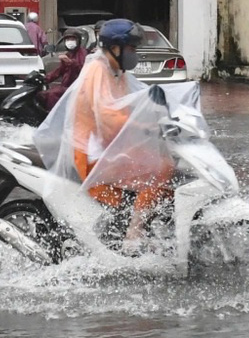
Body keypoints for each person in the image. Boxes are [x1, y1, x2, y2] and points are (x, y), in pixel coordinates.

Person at [62, 18, 173, 247]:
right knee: (158, 169)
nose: (134, 54)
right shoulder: (97, 70)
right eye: (131, 49)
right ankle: (134, 233)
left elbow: (134, 100)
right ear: (115, 48)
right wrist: (144, 127)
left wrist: (162, 115)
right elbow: (107, 115)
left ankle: (143, 226)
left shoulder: (116, 71)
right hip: (92, 149)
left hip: (110, 143)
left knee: (164, 165)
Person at [41, 29, 87, 108]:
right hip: (67, 87)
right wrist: (44, 79)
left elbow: (83, 70)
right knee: (42, 94)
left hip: (77, 88)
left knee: (53, 94)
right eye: (68, 39)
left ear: (78, 40)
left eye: (72, 39)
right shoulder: (68, 54)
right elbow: (59, 71)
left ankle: (54, 118)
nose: (70, 42)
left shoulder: (83, 54)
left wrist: (71, 62)